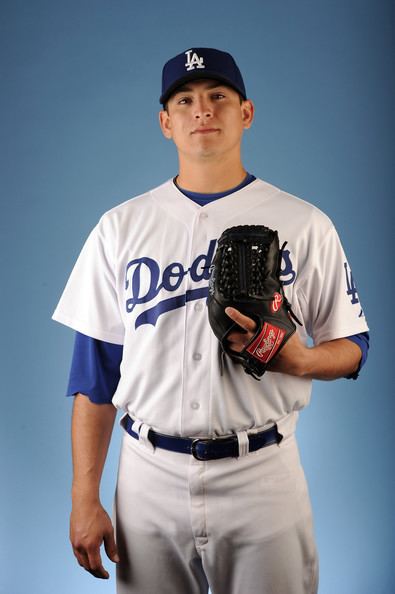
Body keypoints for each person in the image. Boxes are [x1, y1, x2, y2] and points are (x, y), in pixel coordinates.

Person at [53, 47, 369, 594]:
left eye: (218, 96)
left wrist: (304, 359)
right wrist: (85, 497)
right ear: (165, 122)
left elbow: (354, 344)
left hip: (262, 474)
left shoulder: (305, 222)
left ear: (245, 112)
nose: (202, 110)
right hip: (148, 478)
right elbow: (94, 375)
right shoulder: (119, 228)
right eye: (185, 99)